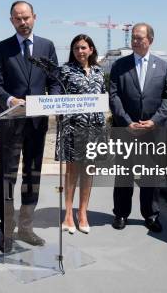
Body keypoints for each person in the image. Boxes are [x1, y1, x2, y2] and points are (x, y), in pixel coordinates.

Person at [0, 0, 61, 252]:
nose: (23, 22)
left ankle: (26, 228)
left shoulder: (47, 46)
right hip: (11, 122)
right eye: (18, 19)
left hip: (36, 124)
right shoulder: (2, 48)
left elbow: (54, 80)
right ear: (11, 20)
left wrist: (52, 100)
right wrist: (10, 100)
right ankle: (7, 231)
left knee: (32, 175)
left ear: (34, 17)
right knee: (8, 177)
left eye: (26, 18)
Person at [109, 23, 167, 233]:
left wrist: (154, 121)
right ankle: (120, 213)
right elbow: (114, 96)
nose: (135, 41)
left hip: (153, 130)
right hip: (126, 128)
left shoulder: (163, 66)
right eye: (134, 38)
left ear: (150, 40)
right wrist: (127, 121)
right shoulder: (120, 65)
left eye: (140, 38)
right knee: (123, 173)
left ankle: (151, 215)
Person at [55, 34, 106, 235]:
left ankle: (82, 212)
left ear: (91, 49)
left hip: (94, 128)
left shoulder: (99, 72)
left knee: (88, 171)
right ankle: (68, 213)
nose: (80, 51)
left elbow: (103, 96)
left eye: (84, 47)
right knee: (72, 171)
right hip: (72, 127)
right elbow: (57, 94)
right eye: (76, 48)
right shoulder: (65, 70)